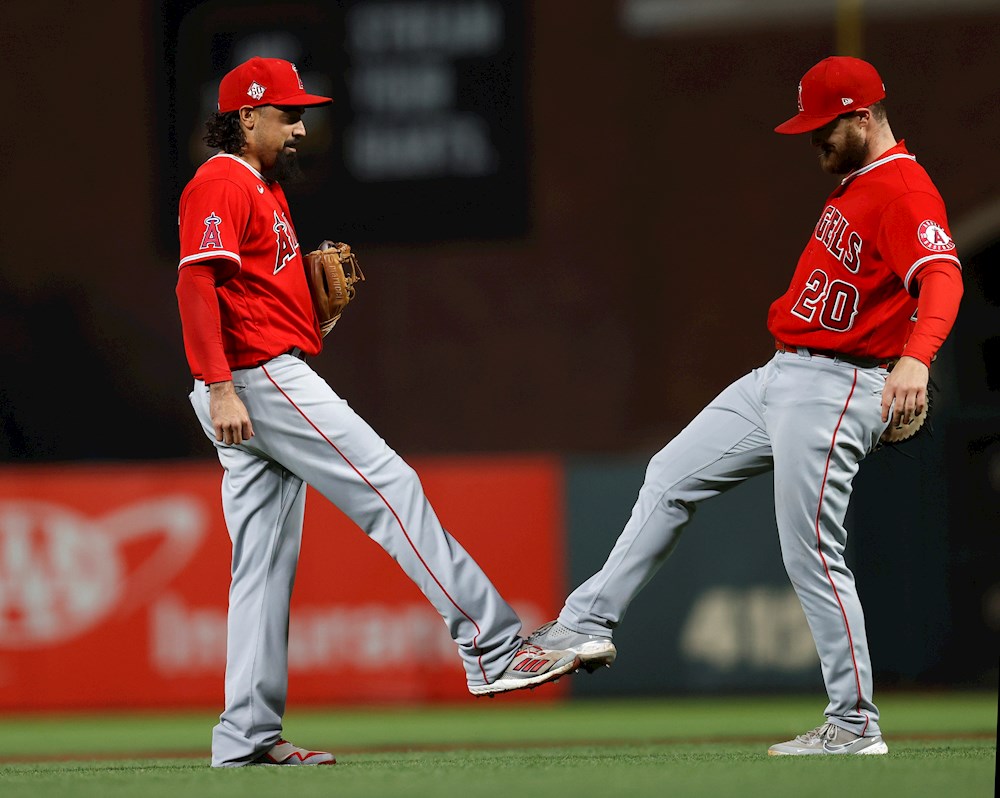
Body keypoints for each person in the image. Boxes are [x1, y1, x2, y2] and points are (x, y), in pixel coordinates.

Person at [527, 56, 963, 756]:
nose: (815, 141)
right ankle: (585, 622)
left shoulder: (904, 191)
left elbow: (941, 277)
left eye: (825, 128)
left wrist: (917, 356)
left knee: (812, 556)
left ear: (862, 115)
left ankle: (854, 726)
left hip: (839, 385)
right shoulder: (857, 186)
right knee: (669, 475)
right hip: (783, 375)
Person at [174, 56, 578, 768]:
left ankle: (245, 737)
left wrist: (302, 311)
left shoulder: (263, 188)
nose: (301, 127)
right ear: (246, 117)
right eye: (288, 114)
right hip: (257, 380)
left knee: (262, 565)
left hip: (259, 376)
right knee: (391, 487)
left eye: (303, 114)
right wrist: (220, 385)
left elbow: (248, 292)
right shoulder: (221, 180)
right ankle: (491, 646)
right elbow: (196, 285)